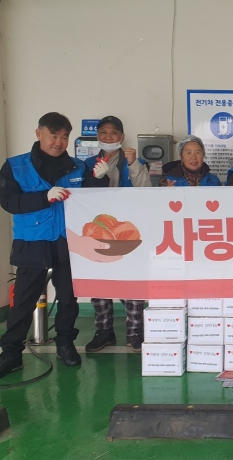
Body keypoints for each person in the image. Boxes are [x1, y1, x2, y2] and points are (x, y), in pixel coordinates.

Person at [0, 113, 85, 382]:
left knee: (68, 298)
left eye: (64, 137)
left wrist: (100, 178)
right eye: (54, 135)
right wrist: (43, 196)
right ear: (39, 134)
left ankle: (65, 344)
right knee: (23, 301)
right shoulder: (15, 166)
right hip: (31, 241)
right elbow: (9, 202)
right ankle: (11, 354)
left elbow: (93, 200)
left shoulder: (77, 167)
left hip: (66, 240)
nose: (59, 142)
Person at [82, 116, 151, 354]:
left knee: (132, 281)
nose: (108, 137)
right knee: (99, 281)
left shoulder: (134, 161)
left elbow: (146, 191)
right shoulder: (87, 163)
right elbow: (81, 196)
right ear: (97, 136)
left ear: (122, 137)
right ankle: (104, 331)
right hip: (98, 229)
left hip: (128, 230)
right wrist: (95, 178)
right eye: (104, 132)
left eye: (113, 133)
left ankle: (135, 332)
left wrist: (133, 165)